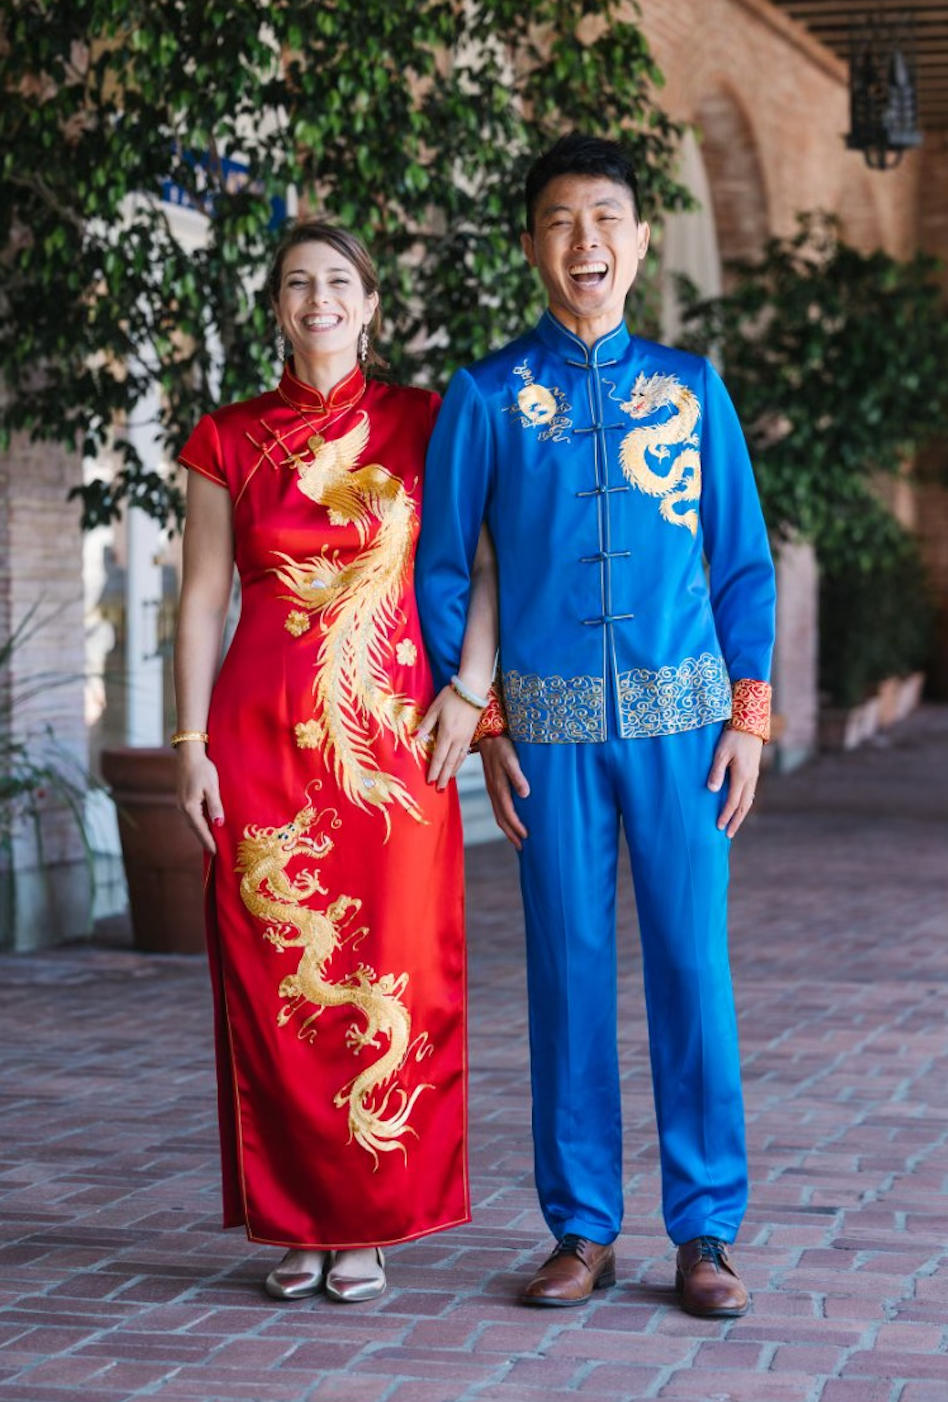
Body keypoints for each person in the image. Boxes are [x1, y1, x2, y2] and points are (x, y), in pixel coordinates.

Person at [416, 133, 776, 1318]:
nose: (587, 243)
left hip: (683, 735)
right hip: (549, 743)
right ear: (532, 245)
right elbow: (444, 574)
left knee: (691, 969)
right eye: (563, 221)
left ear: (636, 239)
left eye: (609, 218)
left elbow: (742, 568)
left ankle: (706, 1229)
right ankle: (581, 1228)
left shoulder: (693, 389)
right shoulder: (482, 398)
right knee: (568, 978)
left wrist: (749, 718)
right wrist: (486, 727)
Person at [173, 220, 497, 1304]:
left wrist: (472, 690)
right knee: (276, 987)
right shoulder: (226, 437)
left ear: (370, 305)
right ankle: (296, 1224)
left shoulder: (426, 422)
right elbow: (202, 598)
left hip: (393, 743)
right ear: (276, 304)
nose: (318, 299)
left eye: (338, 283)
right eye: (297, 283)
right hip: (259, 739)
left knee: (401, 958)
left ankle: (367, 1222)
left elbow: (486, 563)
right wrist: (187, 745)